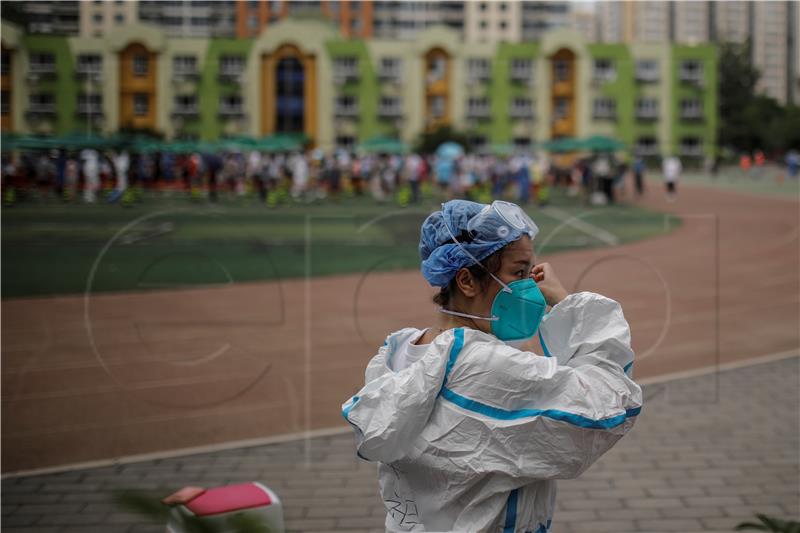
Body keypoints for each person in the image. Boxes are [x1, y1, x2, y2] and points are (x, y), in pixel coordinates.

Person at [342, 200, 642, 532]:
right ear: (467, 281)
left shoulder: (400, 353)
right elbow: (609, 406)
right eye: (519, 272)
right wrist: (571, 304)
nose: (531, 287)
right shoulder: (480, 364)